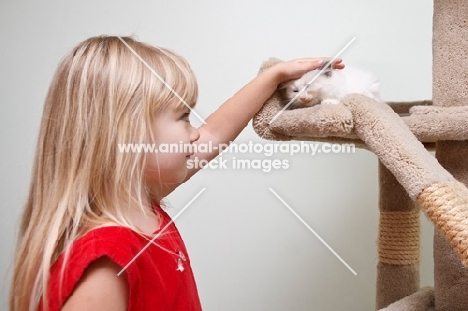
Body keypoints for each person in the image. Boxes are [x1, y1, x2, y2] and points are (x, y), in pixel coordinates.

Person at [9, 35, 343, 311]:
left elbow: (213, 134)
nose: (196, 133)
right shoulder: (106, 262)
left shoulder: (139, 203)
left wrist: (272, 76)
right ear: (127, 136)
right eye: (183, 116)